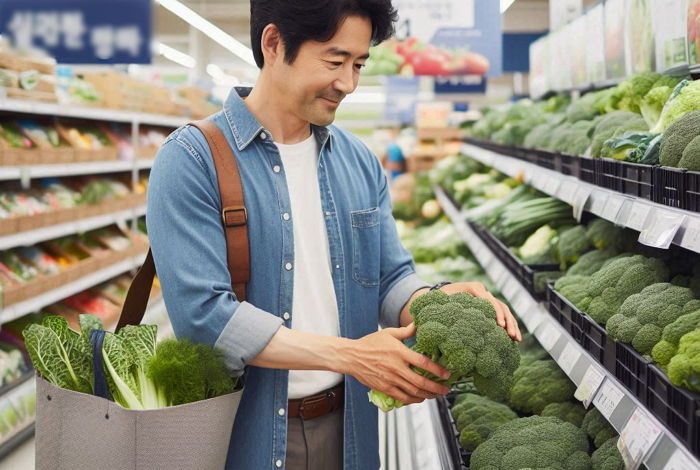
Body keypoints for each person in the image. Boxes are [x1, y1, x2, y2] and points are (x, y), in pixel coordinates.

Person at [147, 1, 521, 469]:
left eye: (359, 64)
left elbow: (389, 277)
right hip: (247, 434)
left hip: (353, 432)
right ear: (273, 43)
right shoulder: (192, 160)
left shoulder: (359, 162)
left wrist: (436, 302)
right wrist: (351, 356)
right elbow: (204, 318)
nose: (348, 83)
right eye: (334, 61)